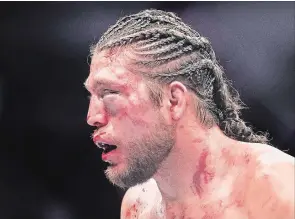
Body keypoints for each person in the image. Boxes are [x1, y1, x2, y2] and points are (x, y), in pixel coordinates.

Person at [84, 9, 294, 219]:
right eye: (92, 96)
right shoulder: (138, 206)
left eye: (110, 93)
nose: (92, 116)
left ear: (173, 100)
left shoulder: (276, 185)